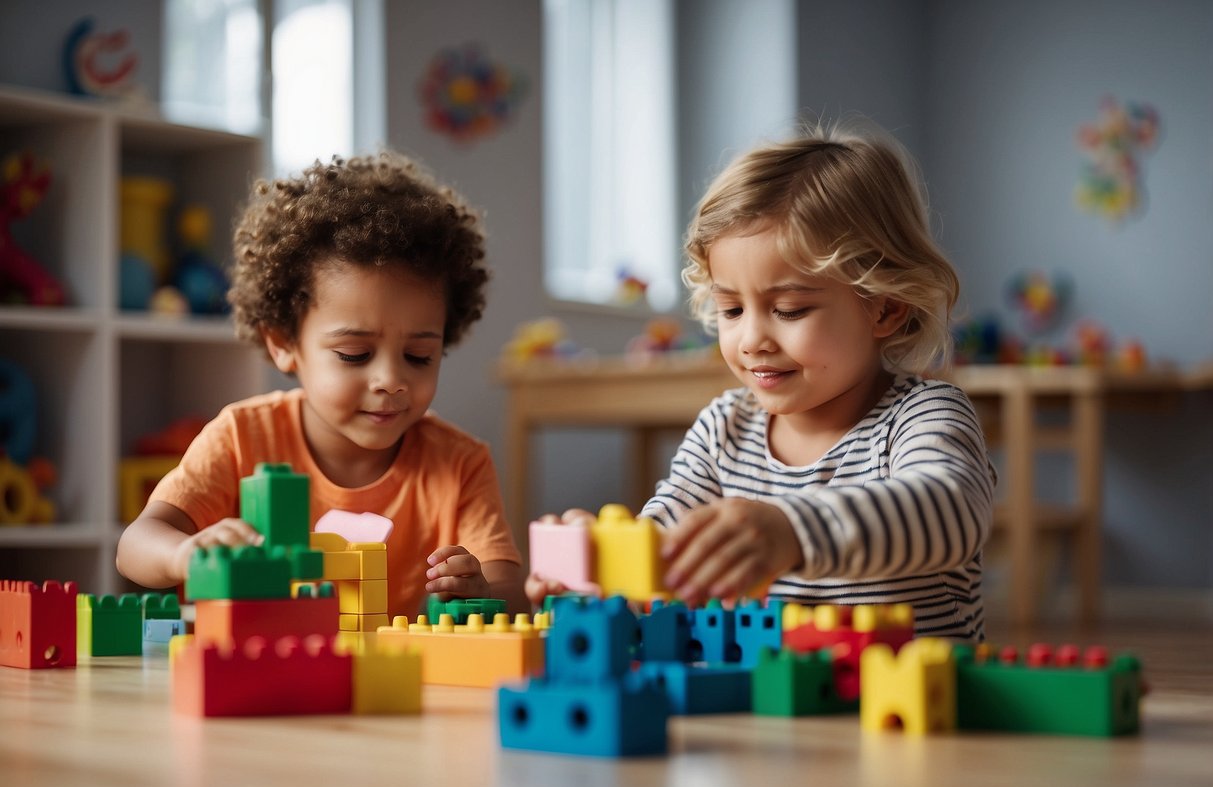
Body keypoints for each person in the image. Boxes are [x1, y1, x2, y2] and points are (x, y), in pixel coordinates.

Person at [527, 120, 995, 640]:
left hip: (911, 707)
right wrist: (599, 561)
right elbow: (665, 543)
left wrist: (791, 532)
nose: (751, 339)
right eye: (731, 309)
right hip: (768, 714)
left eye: (790, 310)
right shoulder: (724, 429)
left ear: (884, 308)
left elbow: (950, 512)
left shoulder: (923, 415)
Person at [117, 151, 528, 617]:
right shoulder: (241, 437)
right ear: (283, 343)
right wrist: (183, 554)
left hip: (390, 681)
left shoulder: (460, 464)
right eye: (355, 354)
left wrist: (479, 588)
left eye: (419, 356)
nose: (391, 379)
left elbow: (513, 593)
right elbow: (134, 546)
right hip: (261, 671)